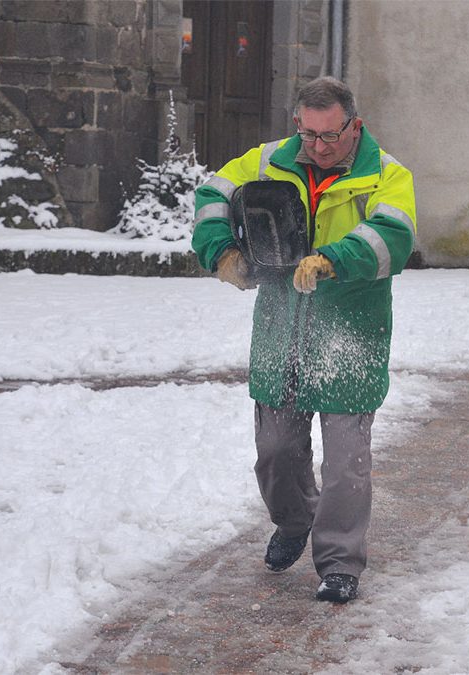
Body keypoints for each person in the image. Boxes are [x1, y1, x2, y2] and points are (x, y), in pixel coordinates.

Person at [191, 77, 416, 603]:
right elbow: (211, 195)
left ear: (353, 126)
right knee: (275, 451)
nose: (318, 146)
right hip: (279, 328)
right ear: (298, 124)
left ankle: (339, 561)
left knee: (345, 464)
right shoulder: (269, 159)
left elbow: (394, 237)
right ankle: (293, 521)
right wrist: (221, 250)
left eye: (331, 136)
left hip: (350, 335)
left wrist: (334, 259)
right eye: (309, 134)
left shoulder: (387, 174)